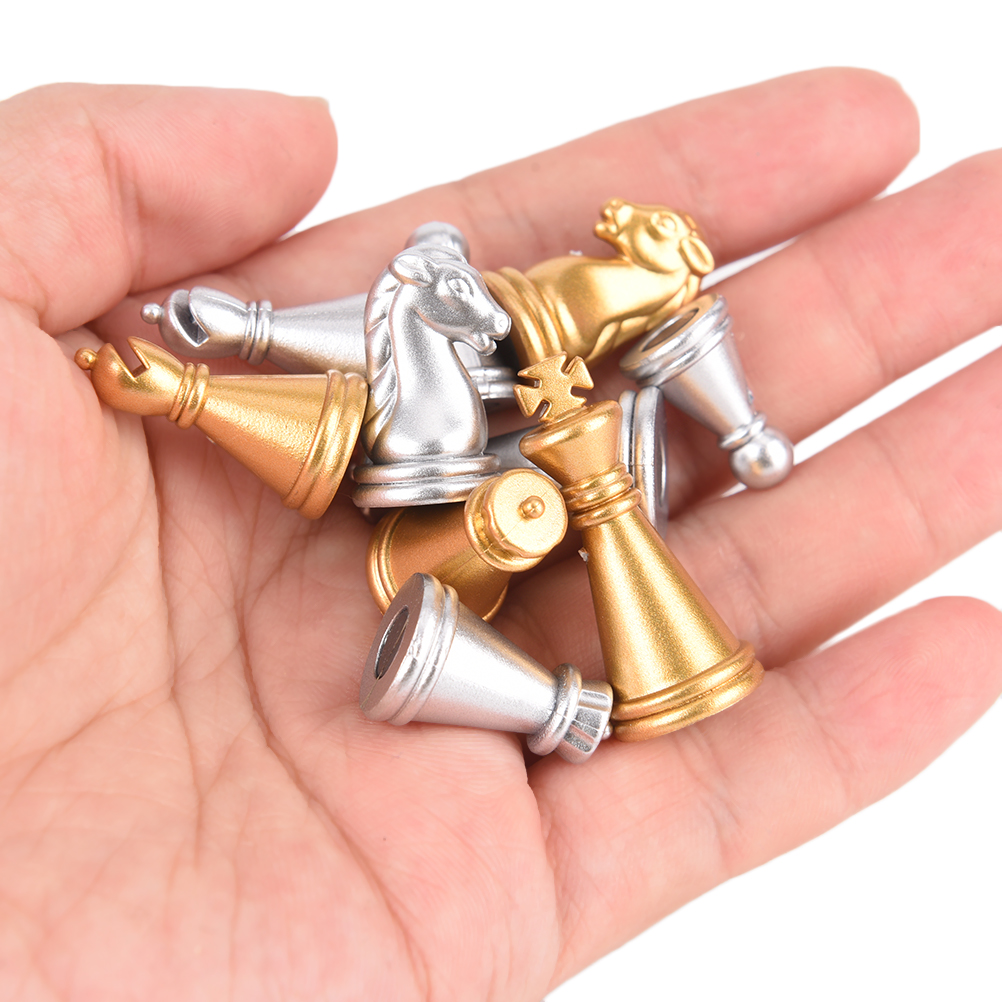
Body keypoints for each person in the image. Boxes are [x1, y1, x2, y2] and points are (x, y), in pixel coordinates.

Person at [0, 68, 999, 1001]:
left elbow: (627, 339)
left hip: (493, 461)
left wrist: (734, 433)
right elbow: (423, 327)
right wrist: (239, 347)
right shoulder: (496, 338)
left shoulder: (620, 313)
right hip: (461, 468)